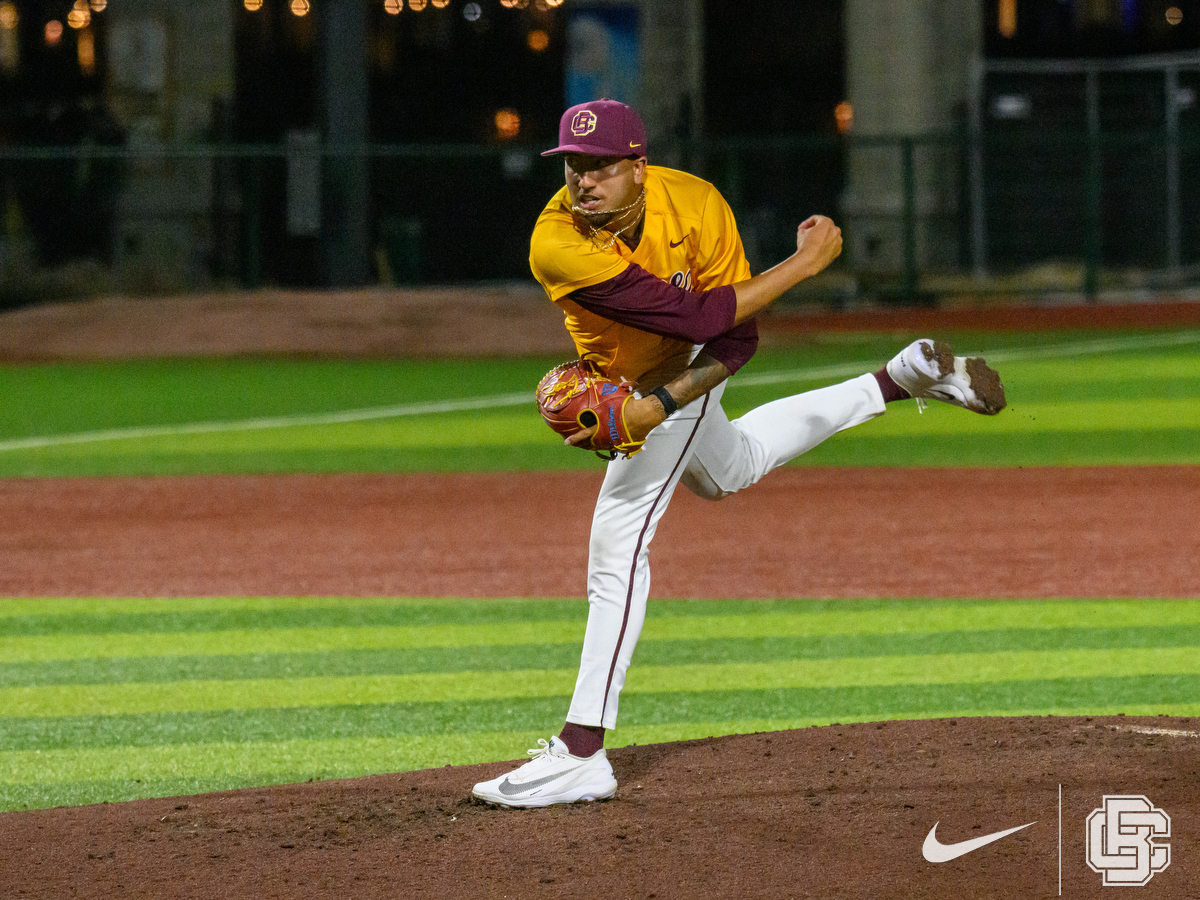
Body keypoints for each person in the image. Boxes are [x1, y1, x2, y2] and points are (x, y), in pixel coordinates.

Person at [471, 99, 1005, 808]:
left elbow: (733, 336)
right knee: (736, 467)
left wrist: (658, 407)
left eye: (601, 166)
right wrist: (801, 267)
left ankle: (582, 749)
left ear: (638, 165)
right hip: (644, 372)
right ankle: (896, 379)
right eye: (573, 164)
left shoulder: (697, 205)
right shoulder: (556, 239)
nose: (584, 181)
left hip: (681, 367)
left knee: (617, 544)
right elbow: (695, 314)